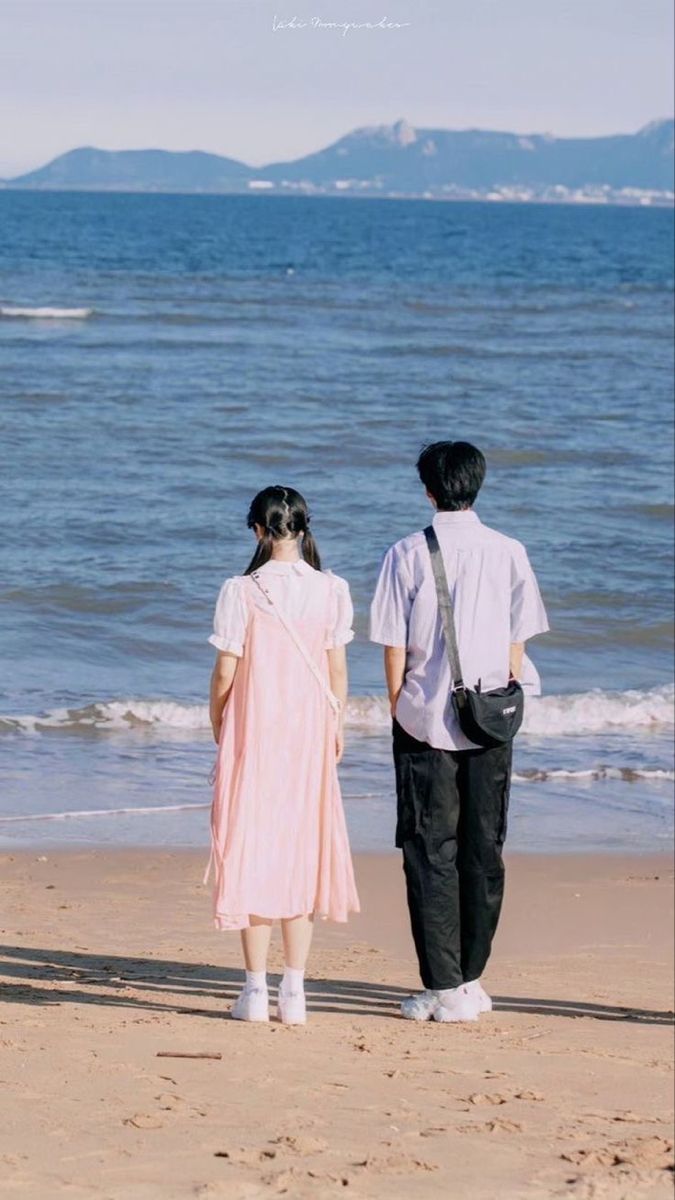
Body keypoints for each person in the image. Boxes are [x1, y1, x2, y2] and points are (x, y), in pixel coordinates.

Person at [370, 441, 549, 1023]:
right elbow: (519, 640)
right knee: (484, 849)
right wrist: (501, 690)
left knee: (428, 850)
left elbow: (394, 645)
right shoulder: (509, 551)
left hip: (425, 719)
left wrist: (400, 705)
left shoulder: (406, 553)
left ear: (428, 490)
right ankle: (471, 979)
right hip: (495, 717)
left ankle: (443, 986)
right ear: (478, 486)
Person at [205, 485, 360, 1025]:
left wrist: (218, 721)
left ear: (257, 530)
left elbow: (226, 671)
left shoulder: (240, 591)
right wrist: (336, 726)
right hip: (309, 734)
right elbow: (337, 671)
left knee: (252, 850)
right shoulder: (332, 589)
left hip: (256, 733)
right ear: (303, 528)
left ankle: (254, 990)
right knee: (302, 853)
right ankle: (294, 991)